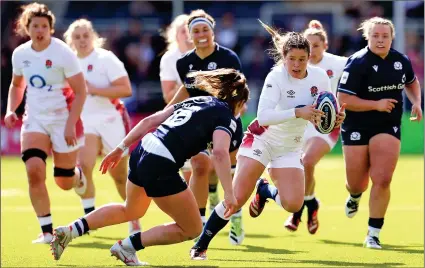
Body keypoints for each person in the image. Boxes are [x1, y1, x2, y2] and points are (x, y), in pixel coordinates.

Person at [49, 68, 249, 266]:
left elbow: (151, 120)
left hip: (144, 148)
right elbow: (221, 153)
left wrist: (121, 147)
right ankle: (127, 246)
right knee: (192, 228)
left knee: (131, 210)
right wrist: (229, 194)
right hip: (161, 161)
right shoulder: (227, 118)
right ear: (239, 102)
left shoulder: (197, 100)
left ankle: (70, 231)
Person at [190, 20, 346, 260]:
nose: (296, 64)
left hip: (290, 147)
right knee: (238, 198)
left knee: (294, 204)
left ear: (309, 58)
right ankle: (200, 245)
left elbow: (321, 119)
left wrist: (334, 119)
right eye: (292, 59)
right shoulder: (276, 77)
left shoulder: (320, 78)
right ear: (284, 57)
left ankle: (265, 190)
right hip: (261, 140)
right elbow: (263, 116)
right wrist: (298, 111)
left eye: (302, 59)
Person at [4, 2, 88, 244]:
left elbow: (81, 92)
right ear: (26, 28)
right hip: (35, 120)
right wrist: (12, 109)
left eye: (44, 26)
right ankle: (47, 231)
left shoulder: (63, 53)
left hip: (63, 120)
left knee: (63, 182)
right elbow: (17, 85)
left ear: (51, 29)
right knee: (33, 170)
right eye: (35, 26)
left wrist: (71, 124)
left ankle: (77, 175)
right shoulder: (20, 54)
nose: (40, 30)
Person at [337, 17, 422, 249]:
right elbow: (343, 99)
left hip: (387, 124)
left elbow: (412, 83)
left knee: (383, 178)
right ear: (368, 37)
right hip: (356, 126)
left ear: (392, 37)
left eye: (385, 36)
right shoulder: (357, 62)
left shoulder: (400, 60)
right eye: (376, 36)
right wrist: (375, 104)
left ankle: (373, 233)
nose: (381, 40)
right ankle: (354, 197)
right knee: (356, 183)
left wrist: (417, 102)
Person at [167, 9, 245, 244]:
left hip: (226, 121)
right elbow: (188, 91)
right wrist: (166, 112)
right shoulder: (184, 63)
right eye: (196, 31)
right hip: (198, 125)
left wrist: (229, 119)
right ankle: (199, 225)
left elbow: (239, 94)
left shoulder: (229, 57)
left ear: (213, 31)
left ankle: (236, 217)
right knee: (200, 167)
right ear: (190, 35)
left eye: (205, 30)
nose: (201, 34)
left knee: (230, 175)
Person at [63, 18, 141, 235]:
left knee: (119, 176)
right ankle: (88, 219)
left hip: (111, 119)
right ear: (71, 41)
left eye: (85, 36)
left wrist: (94, 89)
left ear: (93, 37)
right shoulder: (68, 63)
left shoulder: (105, 58)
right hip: (86, 122)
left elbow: (126, 89)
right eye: (76, 37)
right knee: (84, 167)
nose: (81, 40)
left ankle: (133, 217)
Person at [283, 20, 348, 234]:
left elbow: (362, 71)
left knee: (307, 161)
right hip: (299, 124)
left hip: (326, 124)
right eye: (308, 46)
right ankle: (310, 204)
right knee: (296, 168)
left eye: (317, 45)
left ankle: (299, 209)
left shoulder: (339, 64)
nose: (312, 51)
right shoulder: (295, 65)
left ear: (325, 46)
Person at [159, 14, 195, 182]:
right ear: (175, 35)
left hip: (209, 111)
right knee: (189, 167)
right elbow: (168, 96)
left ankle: (211, 194)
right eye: (183, 31)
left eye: (190, 30)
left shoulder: (208, 53)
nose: (188, 35)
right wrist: (192, 87)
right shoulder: (169, 59)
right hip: (183, 114)